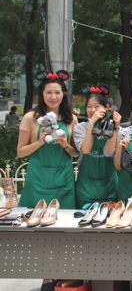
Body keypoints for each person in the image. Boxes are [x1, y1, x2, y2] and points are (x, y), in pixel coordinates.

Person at [17, 70, 79, 210]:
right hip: (37, 180)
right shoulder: (30, 118)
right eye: (48, 92)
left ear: (63, 94)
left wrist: (65, 145)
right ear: (42, 94)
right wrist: (39, 142)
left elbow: (76, 153)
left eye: (57, 92)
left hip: (64, 180)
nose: (53, 97)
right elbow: (20, 152)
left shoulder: (71, 119)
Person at [73, 84, 121, 209]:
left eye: (96, 106)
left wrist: (114, 128)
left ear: (106, 108)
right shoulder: (79, 128)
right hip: (86, 187)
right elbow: (86, 149)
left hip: (109, 185)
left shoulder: (116, 128)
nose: (92, 110)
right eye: (89, 106)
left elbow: (108, 152)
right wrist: (91, 124)